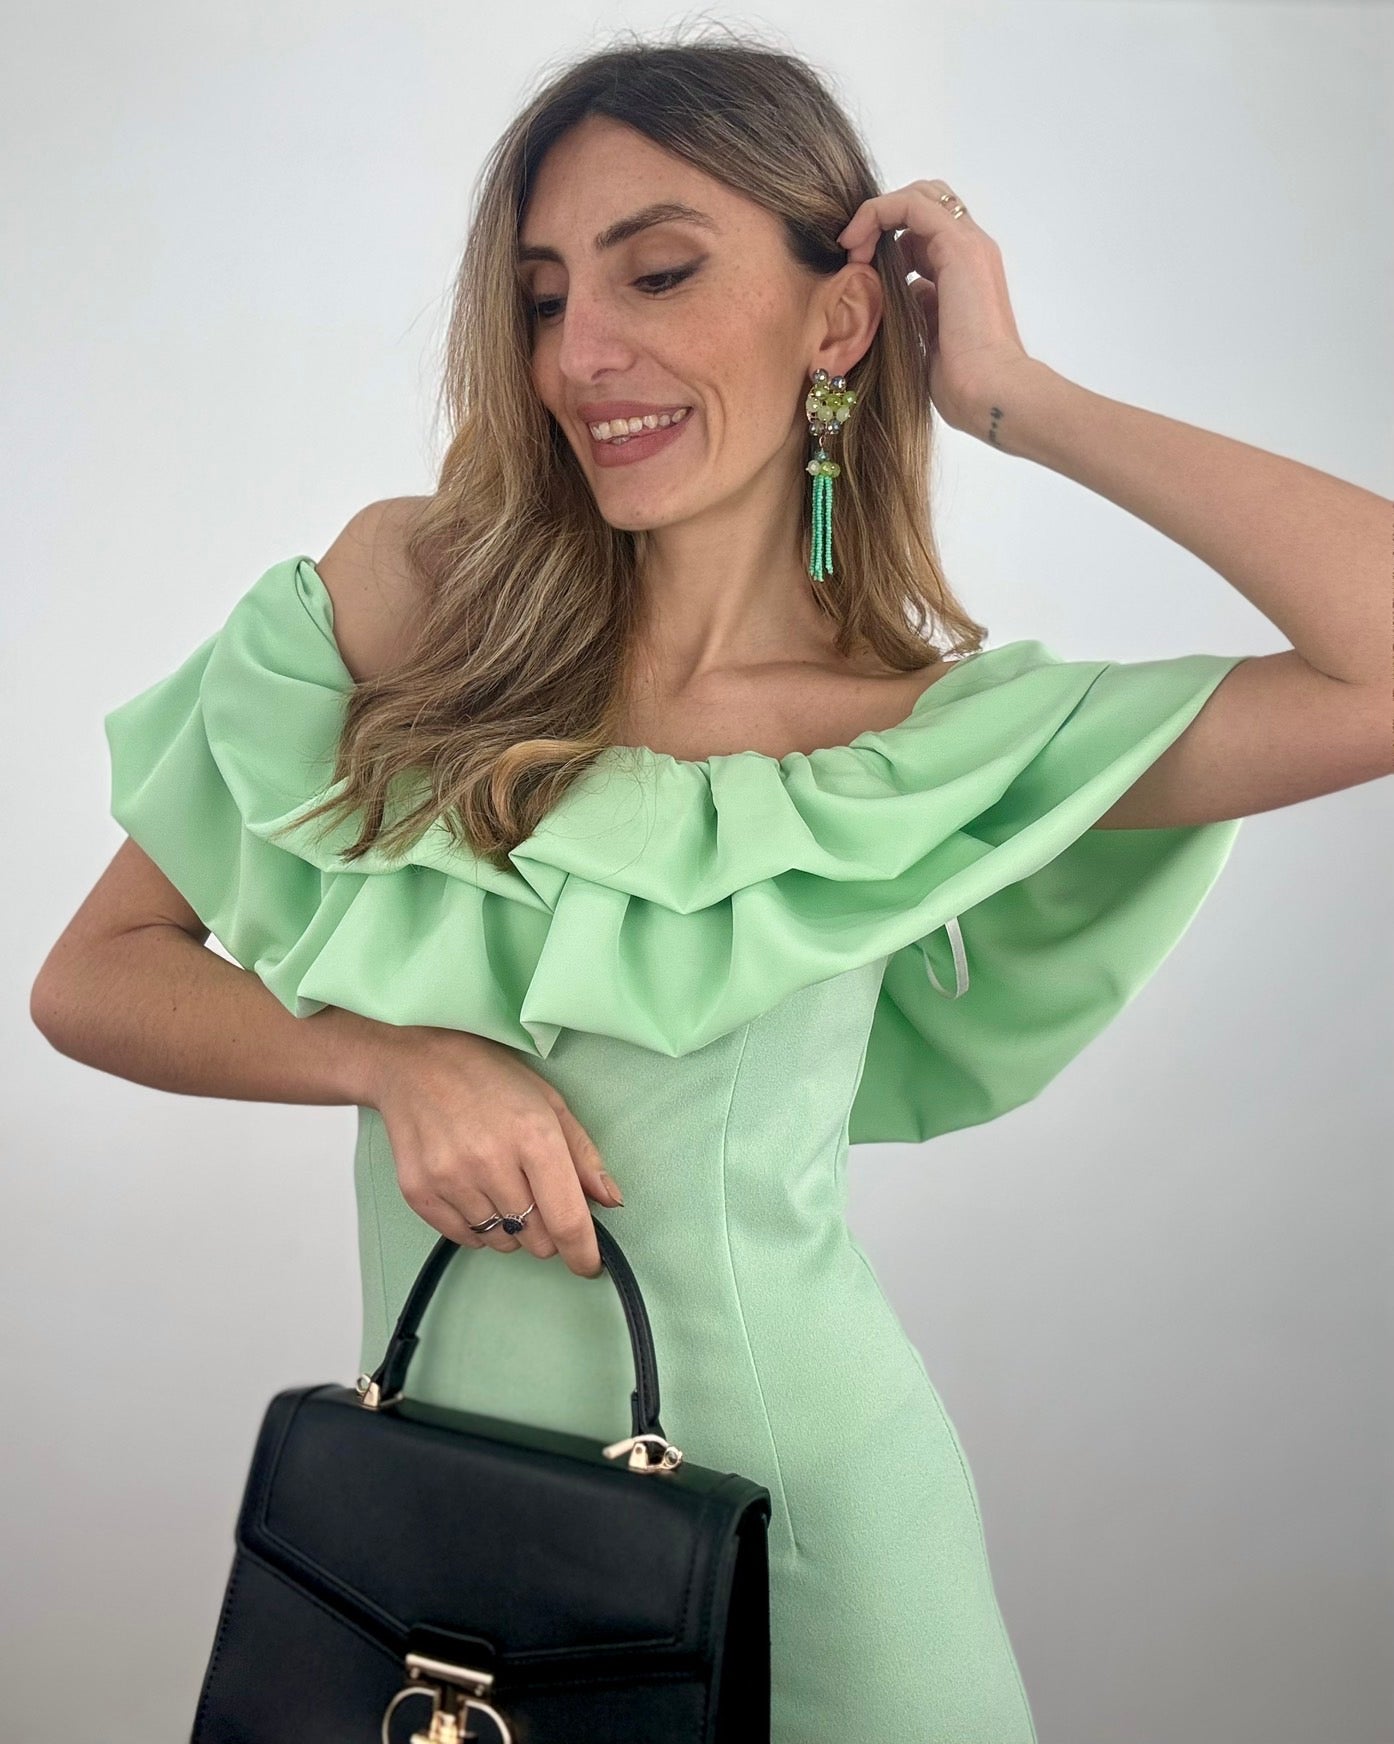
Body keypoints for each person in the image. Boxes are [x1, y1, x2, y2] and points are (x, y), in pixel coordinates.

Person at [32, 29, 1391, 1744]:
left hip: (808, 1550)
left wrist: (1012, 398)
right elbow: (94, 974)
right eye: (541, 298)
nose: (582, 355)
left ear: (837, 322)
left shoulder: (916, 745)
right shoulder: (405, 604)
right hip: (428, 1541)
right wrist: (394, 1060)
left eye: (659, 274)